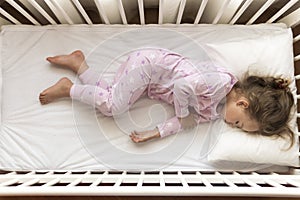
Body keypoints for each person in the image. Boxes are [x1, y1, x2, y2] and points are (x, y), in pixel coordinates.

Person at [39, 49, 295, 145]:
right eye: (239, 123)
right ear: (242, 103)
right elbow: (183, 87)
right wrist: (184, 113)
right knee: (112, 106)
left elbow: (180, 125)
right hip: (150, 66)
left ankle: (79, 65)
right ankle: (67, 89)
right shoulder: (218, 83)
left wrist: (154, 133)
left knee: (109, 95)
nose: (232, 125)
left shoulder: (213, 112)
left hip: (149, 81)